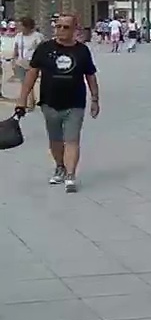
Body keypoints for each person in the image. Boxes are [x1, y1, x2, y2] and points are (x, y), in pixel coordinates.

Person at [15, 15, 99, 192]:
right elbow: (32, 73)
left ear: (75, 29)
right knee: (55, 141)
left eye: (65, 27)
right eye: (58, 26)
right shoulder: (45, 48)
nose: (60, 30)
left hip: (75, 103)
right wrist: (22, 99)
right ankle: (60, 167)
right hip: (49, 103)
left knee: (72, 140)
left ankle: (70, 175)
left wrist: (95, 99)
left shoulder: (82, 51)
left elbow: (90, 75)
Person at [10, 17, 43, 105]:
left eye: (21, 26)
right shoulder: (18, 36)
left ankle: (30, 101)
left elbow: (40, 49)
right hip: (21, 62)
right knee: (23, 82)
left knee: (29, 82)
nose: (20, 28)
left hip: (32, 62)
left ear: (27, 26)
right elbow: (16, 49)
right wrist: (13, 61)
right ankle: (30, 100)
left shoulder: (37, 36)